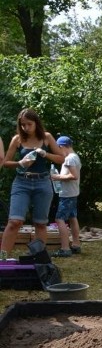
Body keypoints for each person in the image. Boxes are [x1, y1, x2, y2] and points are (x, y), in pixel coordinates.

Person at [1, 108, 67, 254]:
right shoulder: (17, 139)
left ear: (36, 123)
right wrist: (20, 163)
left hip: (42, 182)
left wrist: (45, 153)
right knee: (14, 222)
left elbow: (62, 158)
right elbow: (5, 162)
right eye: (23, 125)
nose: (26, 128)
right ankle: (2, 259)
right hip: (21, 183)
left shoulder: (47, 137)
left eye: (29, 124)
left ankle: (39, 259)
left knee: (40, 223)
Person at [49, 136, 82, 257]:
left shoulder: (69, 159)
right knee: (73, 217)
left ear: (62, 147)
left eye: (58, 149)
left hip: (67, 195)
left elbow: (74, 176)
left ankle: (65, 248)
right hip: (72, 193)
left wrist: (56, 177)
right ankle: (76, 244)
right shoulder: (75, 157)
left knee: (59, 219)